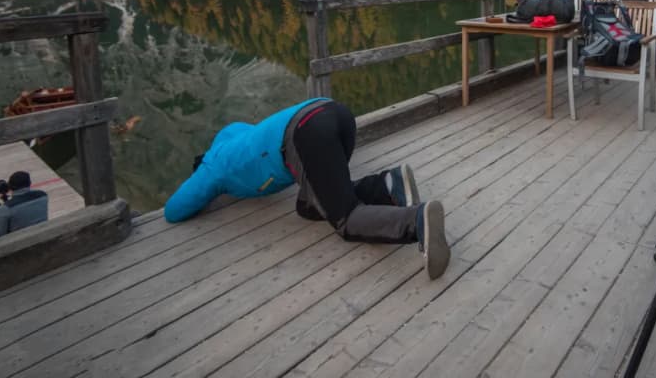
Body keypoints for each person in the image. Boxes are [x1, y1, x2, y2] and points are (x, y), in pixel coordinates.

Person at [164, 98, 450, 280]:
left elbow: (174, 210)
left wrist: (208, 188)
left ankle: (416, 221)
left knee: (346, 219)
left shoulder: (212, 169)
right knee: (310, 205)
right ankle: (389, 184)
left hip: (306, 134)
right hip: (333, 111)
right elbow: (241, 132)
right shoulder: (233, 137)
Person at [0, 170, 49, 239]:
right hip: (42, 238)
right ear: (30, 183)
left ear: (10, 187)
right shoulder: (43, 196)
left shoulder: (5, 210)